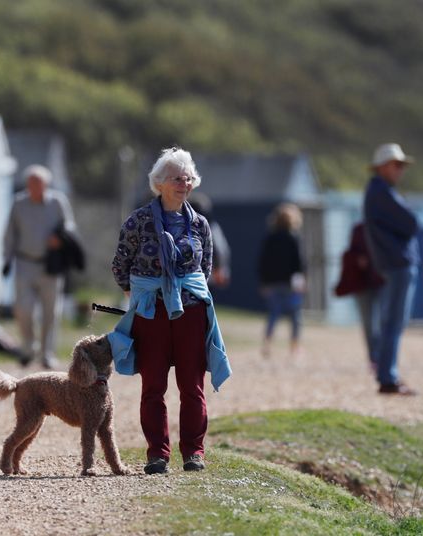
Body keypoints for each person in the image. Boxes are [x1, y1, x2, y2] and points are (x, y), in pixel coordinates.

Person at [108, 147, 231, 475]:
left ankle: (194, 452)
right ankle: (157, 455)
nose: (184, 183)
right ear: (159, 183)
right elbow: (120, 264)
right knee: (153, 387)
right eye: (177, 178)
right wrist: (138, 294)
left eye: (188, 178)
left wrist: (180, 290)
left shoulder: (200, 224)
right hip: (151, 313)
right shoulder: (138, 221)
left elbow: (204, 270)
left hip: (190, 313)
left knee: (192, 386)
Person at [2, 165, 77, 369]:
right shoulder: (18, 204)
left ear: (46, 184)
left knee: (51, 311)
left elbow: (69, 226)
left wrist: (60, 237)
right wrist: (6, 259)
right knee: (23, 308)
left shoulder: (57, 202)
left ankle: (47, 353)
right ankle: (28, 347)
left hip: (51, 265)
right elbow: (10, 233)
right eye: (32, 183)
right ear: (27, 184)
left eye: (39, 183)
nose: (36, 187)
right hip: (25, 262)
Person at [363, 143, 420, 395]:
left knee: (392, 321)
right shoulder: (381, 192)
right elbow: (410, 223)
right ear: (384, 166)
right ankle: (388, 376)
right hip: (397, 264)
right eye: (397, 165)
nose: (400, 171)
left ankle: (388, 373)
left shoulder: (379, 191)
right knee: (393, 322)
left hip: (394, 263)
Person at [257, 203, 306, 359]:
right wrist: (302, 280)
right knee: (295, 316)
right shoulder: (293, 237)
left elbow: (262, 261)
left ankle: (267, 343)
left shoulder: (270, 238)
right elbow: (299, 262)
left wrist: (263, 281)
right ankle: (294, 346)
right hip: (290, 283)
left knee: (273, 314)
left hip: (272, 283)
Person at [334, 222, 385, 372]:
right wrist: (358, 259)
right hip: (362, 283)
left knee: (384, 321)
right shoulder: (358, 229)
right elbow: (351, 251)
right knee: (369, 323)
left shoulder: (383, 228)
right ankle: (374, 358)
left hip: (382, 281)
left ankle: (385, 356)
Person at [188, 192, 231, 288]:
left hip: (203, 272)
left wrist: (218, 268)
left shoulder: (206, 225)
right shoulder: (209, 225)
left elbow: (215, 247)